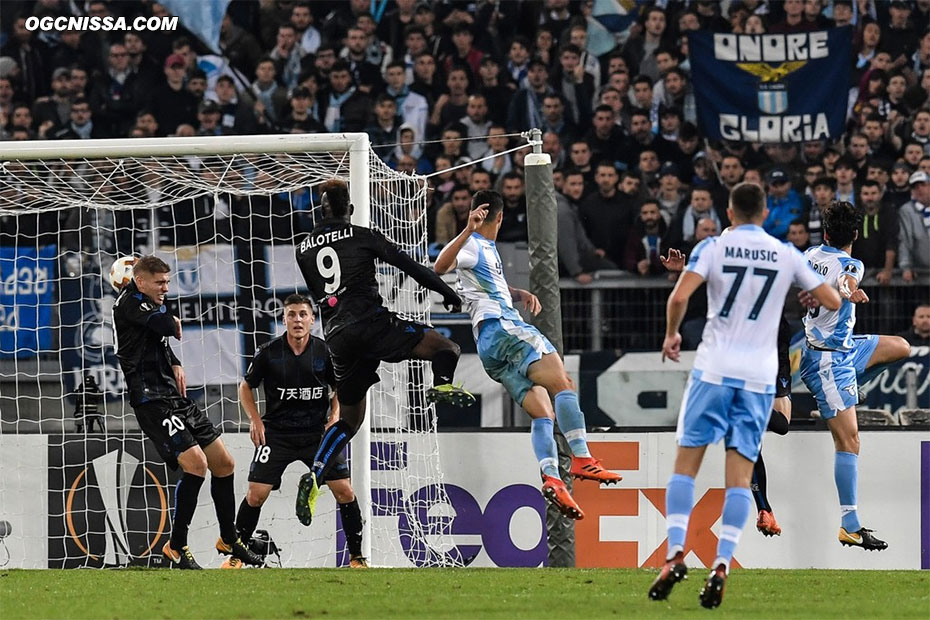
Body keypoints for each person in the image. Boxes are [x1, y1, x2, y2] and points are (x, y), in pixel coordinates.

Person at [648, 183, 840, 608]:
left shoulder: (712, 248)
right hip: (758, 380)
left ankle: (676, 553)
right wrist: (810, 292)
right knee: (739, 477)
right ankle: (721, 565)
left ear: (729, 212)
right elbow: (831, 299)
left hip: (713, 371)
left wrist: (671, 335)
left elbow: (681, 296)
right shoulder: (785, 253)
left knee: (684, 469)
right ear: (765, 210)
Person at [434, 190, 623, 522]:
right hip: (504, 329)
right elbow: (440, 266)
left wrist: (516, 293)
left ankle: (550, 475)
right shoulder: (476, 243)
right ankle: (581, 457)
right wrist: (467, 229)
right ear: (502, 217)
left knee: (542, 415)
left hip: (489, 347)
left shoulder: (486, 251)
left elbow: (486, 286)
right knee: (563, 384)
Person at [294, 180, 472, 525]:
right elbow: (412, 267)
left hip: (337, 337)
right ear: (352, 210)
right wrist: (446, 292)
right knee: (446, 347)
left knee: (348, 421)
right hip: (372, 324)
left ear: (319, 210)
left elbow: (326, 295)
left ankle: (316, 475)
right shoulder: (363, 235)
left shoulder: (302, 249)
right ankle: (444, 385)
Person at [113, 255, 262, 569]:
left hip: (173, 397)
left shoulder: (145, 304)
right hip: (151, 402)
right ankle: (176, 545)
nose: (166, 288)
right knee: (196, 464)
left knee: (224, 463)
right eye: (160, 283)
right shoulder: (127, 305)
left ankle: (229, 539)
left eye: (167, 282)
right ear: (139, 281)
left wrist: (176, 362)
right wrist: (171, 321)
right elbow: (166, 325)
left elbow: (162, 338)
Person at [799, 201, 912, 553]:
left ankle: (851, 389)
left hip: (843, 348)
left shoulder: (810, 254)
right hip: (827, 362)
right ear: (857, 235)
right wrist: (849, 291)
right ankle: (850, 525)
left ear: (826, 232)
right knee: (849, 443)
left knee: (902, 347)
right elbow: (847, 281)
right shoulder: (852, 263)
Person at [236, 295, 367, 569]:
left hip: (316, 435)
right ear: (283, 319)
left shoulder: (326, 352)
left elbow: (339, 387)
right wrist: (255, 420)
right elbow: (245, 387)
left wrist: (335, 414)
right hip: (276, 433)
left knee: (344, 490)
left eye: (303, 314)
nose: (297, 320)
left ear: (312, 319)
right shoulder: (268, 352)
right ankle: (238, 556)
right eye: (292, 314)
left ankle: (356, 557)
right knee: (256, 494)